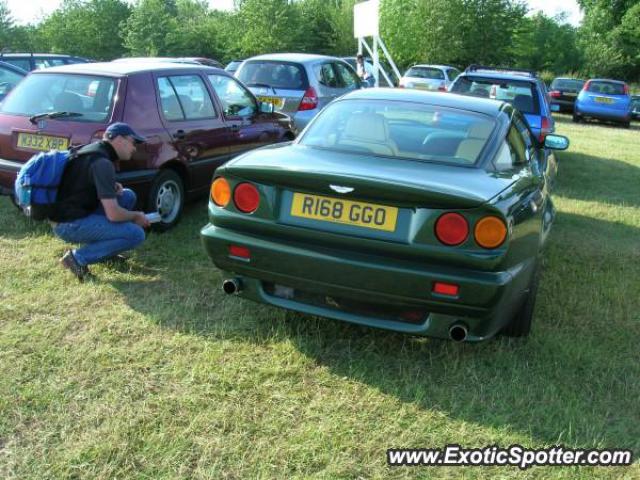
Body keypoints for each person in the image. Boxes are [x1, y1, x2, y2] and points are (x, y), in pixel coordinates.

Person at [50, 122, 151, 281]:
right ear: (119, 139)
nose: (134, 148)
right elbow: (113, 215)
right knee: (136, 234)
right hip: (69, 224)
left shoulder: (93, 151)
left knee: (127, 195)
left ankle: (106, 253)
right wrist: (136, 216)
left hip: (68, 215)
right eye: (133, 142)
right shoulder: (102, 163)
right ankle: (77, 258)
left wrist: (111, 187)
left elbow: (81, 184)